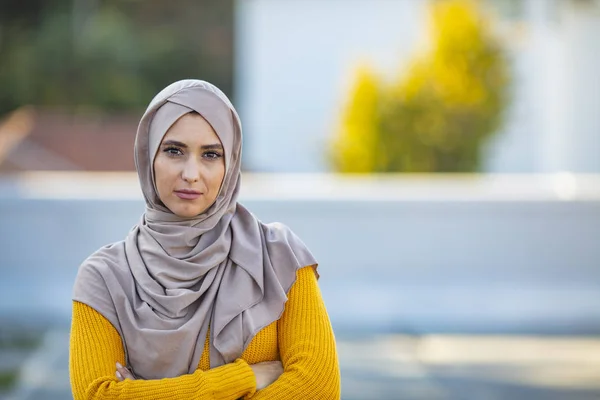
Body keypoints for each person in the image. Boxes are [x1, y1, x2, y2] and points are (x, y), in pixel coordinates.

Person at [69, 80, 341, 399]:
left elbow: (319, 388)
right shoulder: (105, 278)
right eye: (174, 151)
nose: (191, 173)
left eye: (211, 154)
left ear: (230, 164)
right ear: (147, 157)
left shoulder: (279, 257)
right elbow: (98, 396)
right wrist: (245, 377)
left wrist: (145, 392)